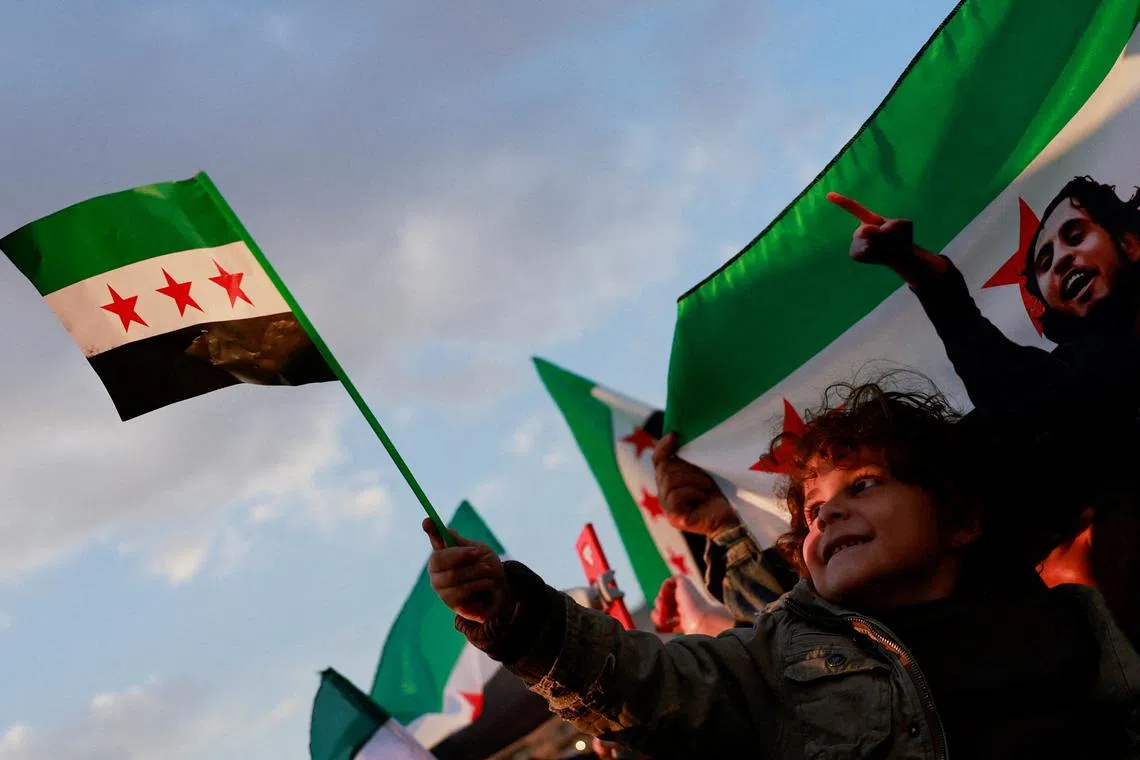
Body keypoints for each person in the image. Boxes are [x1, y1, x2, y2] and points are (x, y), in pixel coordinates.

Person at [424, 381, 1140, 758]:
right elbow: (648, 683)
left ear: (959, 521)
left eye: (864, 485)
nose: (828, 515)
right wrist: (516, 617)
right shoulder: (775, 657)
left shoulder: (1082, 617)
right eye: (813, 510)